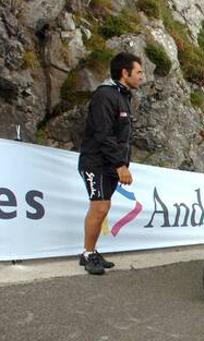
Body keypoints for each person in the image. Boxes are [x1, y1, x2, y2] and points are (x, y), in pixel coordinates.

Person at [77, 52, 144, 275]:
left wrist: (124, 163)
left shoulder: (123, 96)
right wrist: (120, 165)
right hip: (95, 163)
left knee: (103, 208)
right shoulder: (105, 95)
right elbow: (103, 134)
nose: (142, 77)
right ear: (125, 73)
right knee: (100, 207)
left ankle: (92, 251)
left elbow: (122, 136)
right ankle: (87, 254)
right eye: (139, 72)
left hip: (110, 164)